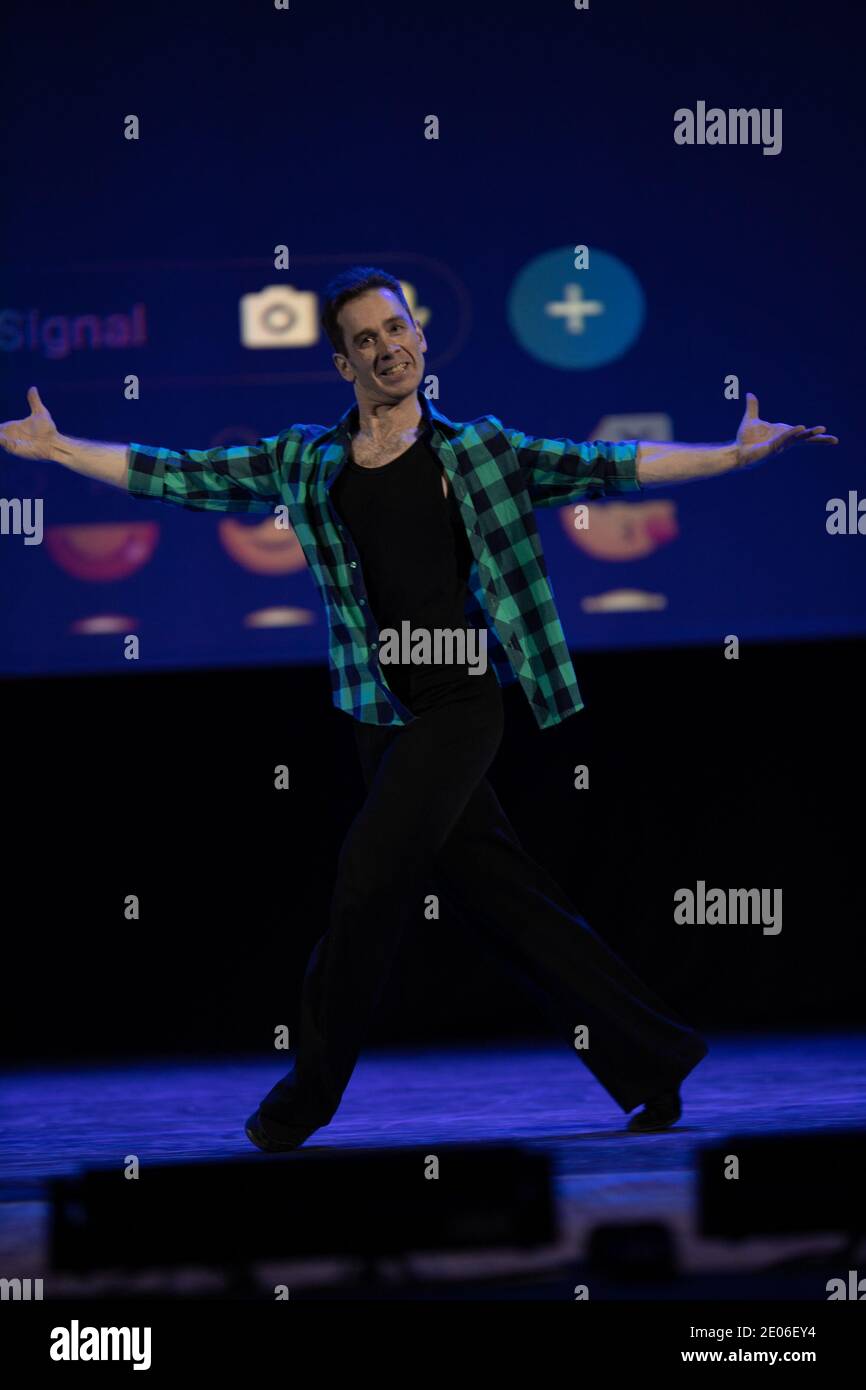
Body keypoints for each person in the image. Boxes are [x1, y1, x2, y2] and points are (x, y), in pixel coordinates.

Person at [0, 266, 837, 1147]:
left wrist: (734, 454)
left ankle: (307, 1096)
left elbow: (613, 466)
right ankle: (652, 1058)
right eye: (364, 340)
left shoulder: (478, 450)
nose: (386, 349)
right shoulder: (307, 460)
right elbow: (181, 475)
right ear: (342, 364)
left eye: (396, 330)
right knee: (507, 900)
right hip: (379, 712)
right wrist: (57, 451)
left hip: (461, 700)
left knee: (368, 875)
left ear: (421, 338)